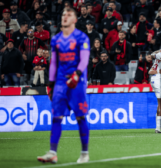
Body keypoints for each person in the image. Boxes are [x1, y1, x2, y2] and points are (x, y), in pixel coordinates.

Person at [37, 7, 90, 164]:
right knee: (56, 117)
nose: (65, 17)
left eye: (69, 14)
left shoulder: (82, 37)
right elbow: (53, 62)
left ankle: (84, 153)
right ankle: (52, 153)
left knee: (80, 117)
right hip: (60, 82)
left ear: (74, 19)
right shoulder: (56, 39)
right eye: (63, 14)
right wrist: (51, 84)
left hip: (77, 81)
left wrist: (78, 74)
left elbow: (84, 59)